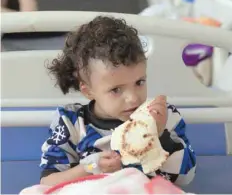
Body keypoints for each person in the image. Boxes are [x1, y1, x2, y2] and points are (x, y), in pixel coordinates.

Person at [20, 16, 196, 194]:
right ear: (88, 90)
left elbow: (185, 177)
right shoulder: (72, 124)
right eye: (116, 90)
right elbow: (48, 182)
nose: (133, 99)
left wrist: (158, 137)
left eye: (139, 82)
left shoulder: (162, 116)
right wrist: (90, 167)